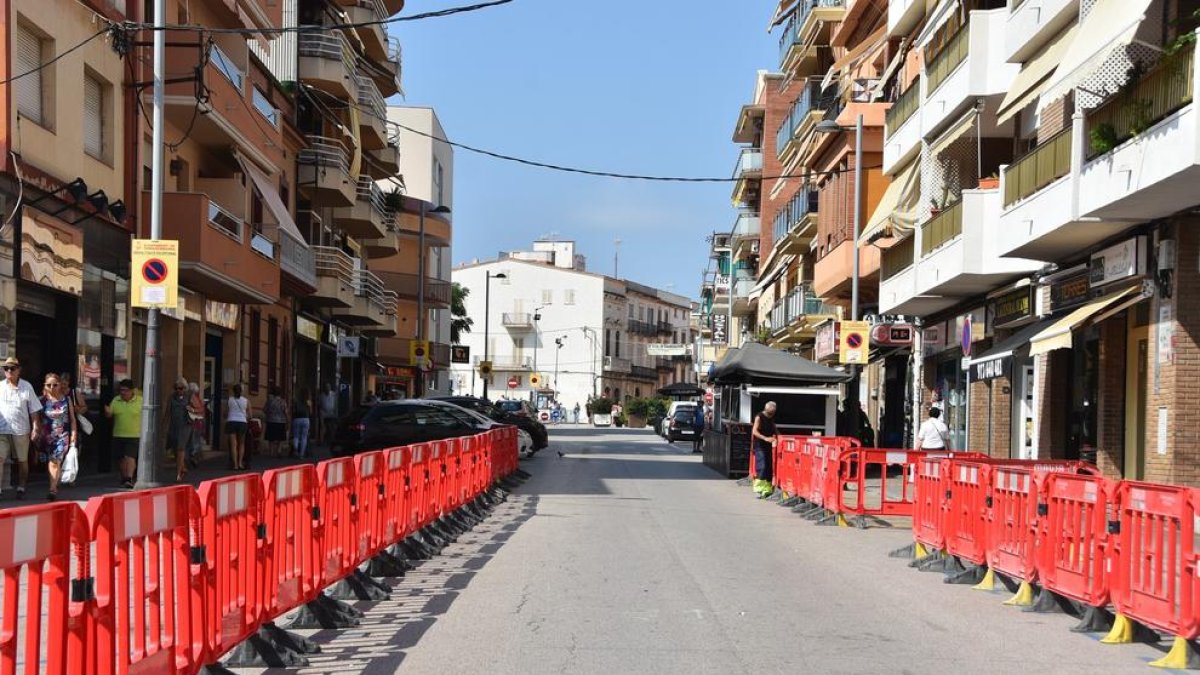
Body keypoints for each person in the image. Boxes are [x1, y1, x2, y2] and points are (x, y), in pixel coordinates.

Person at [0, 357, 42, 499]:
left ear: (19, 370)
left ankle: (21, 486)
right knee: (0, 458)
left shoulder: (27, 386)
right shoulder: (0, 386)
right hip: (2, 430)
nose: (9, 371)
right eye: (6, 368)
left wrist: (36, 427)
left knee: (22, 460)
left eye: (12, 368)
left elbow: (34, 409)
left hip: (21, 430)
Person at [38, 373, 76, 500]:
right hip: (47, 436)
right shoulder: (41, 401)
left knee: (55, 460)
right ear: (45, 386)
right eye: (49, 385)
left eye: (55, 384)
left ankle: (52, 489)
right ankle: (55, 482)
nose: (52, 387)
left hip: (62, 435)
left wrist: (73, 434)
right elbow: (36, 419)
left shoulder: (66, 399)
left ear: (60, 385)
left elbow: (72, 419)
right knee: (51, 461)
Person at [104, 379, 141, 489]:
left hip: (134, 435)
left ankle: (129, 478)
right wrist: (107, 412)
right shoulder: (116, 400)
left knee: (130, 457)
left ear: (132, 391)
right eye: (121, 390)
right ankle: (124, 478)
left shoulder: (140, 401)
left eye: (125, 390)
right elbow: (110, 414)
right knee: (120, 458)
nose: (123, 392)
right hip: (118, 434)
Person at [164, 378, 193, 482]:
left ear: (185, 388)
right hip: (174, 425)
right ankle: (183, 467)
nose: (178, 390)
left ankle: (178, 474)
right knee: (175, 448)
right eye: (176, 388)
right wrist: (164, 425)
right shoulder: (171, 397)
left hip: (185, 426)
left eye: (181, 388)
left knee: (181, 448)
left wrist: (192, 409)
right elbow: (168, 411)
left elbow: (200, 409)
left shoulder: (189, 397)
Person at [750, 401, 779, 498]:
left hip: (768, 445)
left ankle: (767, 489)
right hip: (760, 445)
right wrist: (765, 438)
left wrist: (779, 436)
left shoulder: (771, 418)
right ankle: (758, 489)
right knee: (762, 466)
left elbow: (774, 428)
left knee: (768, 467)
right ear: (766, 410)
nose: (771, 415)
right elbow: (754, 431)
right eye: (770, 413)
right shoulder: (759, 417)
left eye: (773, 413)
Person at [225, 384, 250, 470]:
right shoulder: (246, 401)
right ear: (241, 391)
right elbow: (250, 414)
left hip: (231, 422)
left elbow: (225, 412)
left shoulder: (230, 400)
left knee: (233, 444)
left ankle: (235, 464)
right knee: (241, 444)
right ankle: (240, 463)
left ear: (233, 391)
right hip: (242, 422)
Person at [263, 386, 288, 457]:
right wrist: (287, 421)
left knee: (271, 438)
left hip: (271, 420)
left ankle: (271, 452)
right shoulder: (283, 401)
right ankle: (279, 450)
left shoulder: (269, 401)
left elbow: (264, 410)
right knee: (280, 437)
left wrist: (269, 414)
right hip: (281, 421)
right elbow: (286, 412)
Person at [186, 382, 205, 466]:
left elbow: (199, 409)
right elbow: (201, 409)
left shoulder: (191, 398)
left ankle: (192, 456)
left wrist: (193, 410)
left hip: (194, 421)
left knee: (193, 440)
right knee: (195, 439)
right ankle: (193, 456)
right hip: (197, 421)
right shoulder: (196, 398)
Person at [291, 388, 312, 459]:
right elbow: (310, 412)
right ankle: (301, 454)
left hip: (297, 419)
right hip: (306, 419)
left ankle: (296, 449)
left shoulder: (296, 400)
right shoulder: (308, 401)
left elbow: (293, 410)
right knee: (304, 437)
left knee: (296, 436)